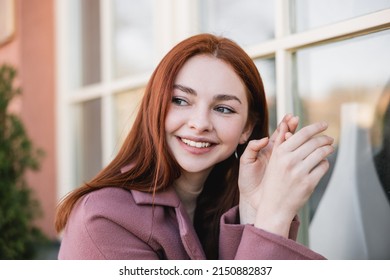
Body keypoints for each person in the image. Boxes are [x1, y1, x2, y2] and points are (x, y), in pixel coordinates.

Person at [55, 33, 334, 260]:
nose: (200, 123)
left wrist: (254, 209)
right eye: (180, 101)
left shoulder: (221, 206)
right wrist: (274, 216)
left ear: (247, 128)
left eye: (223, 108)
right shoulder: (102, 218)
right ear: (156, 107)